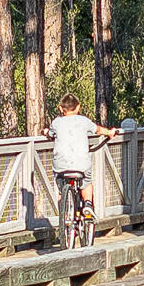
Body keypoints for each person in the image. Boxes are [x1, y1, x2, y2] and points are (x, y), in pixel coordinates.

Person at [47, 90, 98, 236]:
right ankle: (87, 204)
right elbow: (98, 130)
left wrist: (45, 132)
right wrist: (110, 133)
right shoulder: (83, 120)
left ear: (60, 108)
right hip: (81, 165)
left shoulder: (56, 122)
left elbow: (50, 134)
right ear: (78, 107)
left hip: (61, 166)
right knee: (86, 182)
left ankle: (65, 207)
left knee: (60, 181)